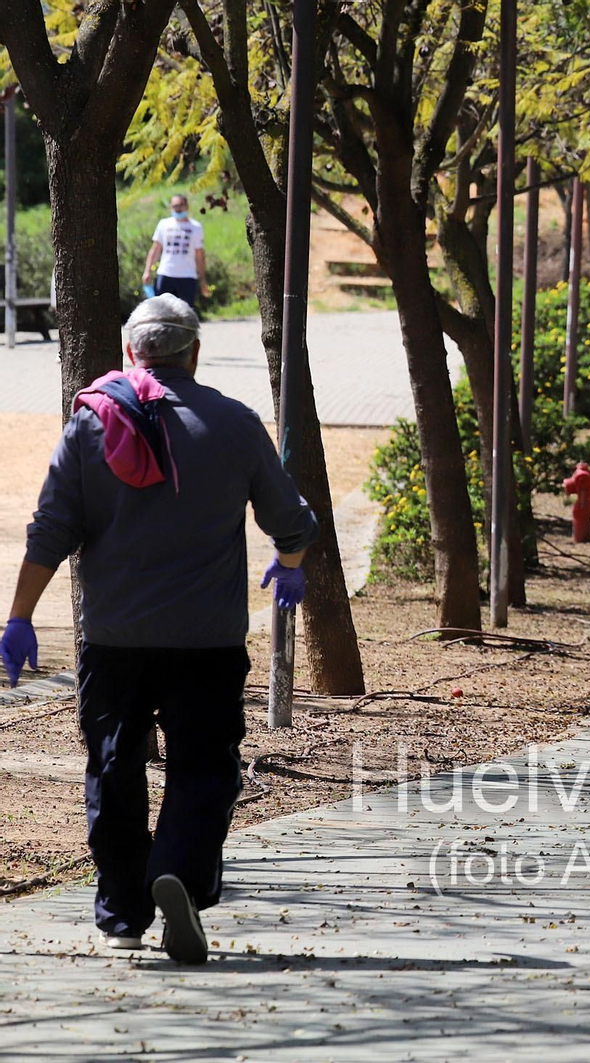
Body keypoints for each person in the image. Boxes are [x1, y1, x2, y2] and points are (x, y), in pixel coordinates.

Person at [0, 294, 318, 965]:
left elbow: (50, 529)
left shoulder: (91, 423)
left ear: (131, 354)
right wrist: (289, 567)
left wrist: (20, 615)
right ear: (194, 353)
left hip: (114, 640)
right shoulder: (233, 422)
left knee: (113, 764)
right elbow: (291, 521)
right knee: (204, 765)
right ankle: (178, 869)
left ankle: (121, 909)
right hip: (208, 640)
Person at [141, 194, 209, 308]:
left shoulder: (195, 227)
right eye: (175, 206)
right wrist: (147, 271)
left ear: (187, 206)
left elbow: (199, 255)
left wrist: (203, 280)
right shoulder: (164, 224)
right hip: (165, 274)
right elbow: (155, 249)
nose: (178, 209)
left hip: (187, 276)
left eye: (180, 205)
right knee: (162, 313)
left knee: (185, 314)